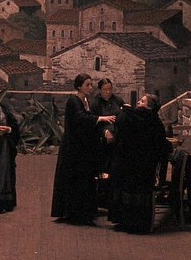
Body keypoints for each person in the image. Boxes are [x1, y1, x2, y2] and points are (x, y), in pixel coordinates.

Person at [51, 73, 116, 225]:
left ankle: (82, 212)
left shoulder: (85, 101)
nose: (90, 87)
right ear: (79, 86)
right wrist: (100, 118)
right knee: (74, 178)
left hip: (81, 147)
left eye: (91, 84)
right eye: (87, 84)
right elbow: (80, 119)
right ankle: (73, 213)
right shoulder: (73, 101)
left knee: (83, 179)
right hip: (73, 147)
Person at [108, 93, 173, 234]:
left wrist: (124, 110)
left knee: (127, 191)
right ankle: (139, 224)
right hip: (144, 167)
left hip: (127, 164)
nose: (138, 102)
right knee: (140, 194)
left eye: (142, 101)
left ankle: (124, 222)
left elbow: (120, 128)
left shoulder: (131, 116)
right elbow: (161, 145)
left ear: (148, 106)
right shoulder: (155, 122)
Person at [92, 79, 124, 208]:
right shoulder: (95, 104)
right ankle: (102, 197)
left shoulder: (118, 101)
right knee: (104, 168)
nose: (108, 92)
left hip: (117, 138)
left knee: (116, 167)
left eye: (110, 89)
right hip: (102, 141)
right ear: (100, 90)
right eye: (105, 89)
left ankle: (115, 197)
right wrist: (104, 131)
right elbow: (93, 122)